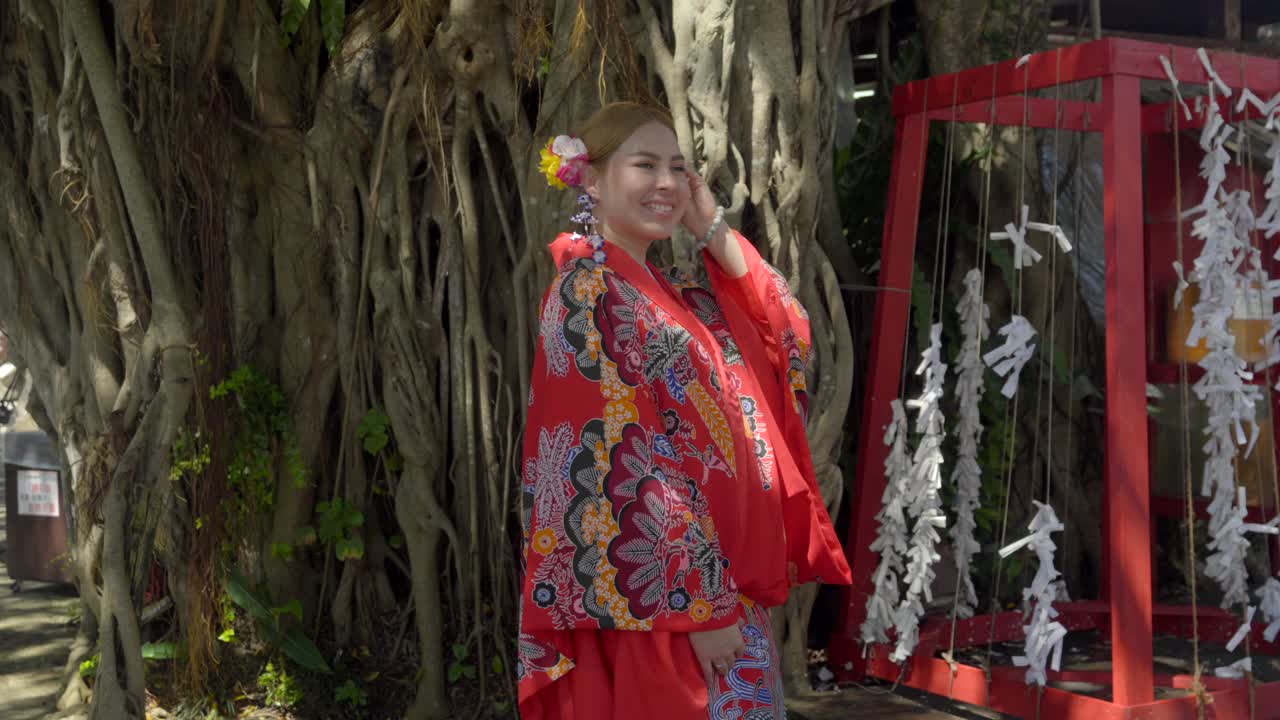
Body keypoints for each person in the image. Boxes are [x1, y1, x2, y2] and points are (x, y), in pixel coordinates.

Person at [518, 101, 851, 720]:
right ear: (588, 178)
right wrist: (697, 606)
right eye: (644, 165)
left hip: (718, 590)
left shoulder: (677, 295)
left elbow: (788, 329)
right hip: (663, 607)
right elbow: (620, 457)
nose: (667, 183)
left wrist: (712, 229)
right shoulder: (587, 290)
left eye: (679, 168)